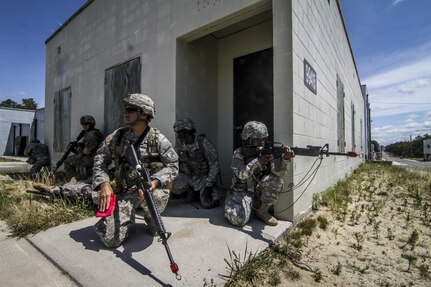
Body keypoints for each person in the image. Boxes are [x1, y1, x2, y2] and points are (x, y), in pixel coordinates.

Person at [92, 93, 179, 248]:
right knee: (111, 240)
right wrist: (104, 183)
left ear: (144, 113)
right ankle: (121, 216)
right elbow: (100, 158)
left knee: (154, 202)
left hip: (150, 190)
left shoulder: (157, 139)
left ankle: (152, 219)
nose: (125, 113)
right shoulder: (118, 136)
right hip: (126, 191)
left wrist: (155, 181)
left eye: (130, 110)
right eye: (125, 109)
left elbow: (173, 165)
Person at [224, 121, 295, 227]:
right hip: (243, 192)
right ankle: (231, 202)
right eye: (258, 139)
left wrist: (285, 159)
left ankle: (262, 211)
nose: (262, 142)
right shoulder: (239, 153)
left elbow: (278, 172)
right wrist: (257, 162)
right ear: (249, 139)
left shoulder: (267, 151)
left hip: (259, 190)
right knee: (239, 220)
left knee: (277, 179)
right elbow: (240, 174)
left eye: (264, 138)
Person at [171, 117, 221, 209]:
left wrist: (209, 184)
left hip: (204, 178)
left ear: (187, 131)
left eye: (179, 132)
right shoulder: (180, 144)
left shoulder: (204, 143)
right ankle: (191, 192)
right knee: (173, 186)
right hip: (190, 176)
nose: (178, 135)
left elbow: (214, 164)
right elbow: (174, 159)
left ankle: (208, 191)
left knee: (208, 203)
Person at [64, 115, 103, 181]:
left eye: (86, 124)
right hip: (91, 157)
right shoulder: (91, 133)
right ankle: (79, 178)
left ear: (90, 124)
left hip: (91, 158)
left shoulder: (91, 135)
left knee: (67, 161)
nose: (84, 126)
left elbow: (88, 150)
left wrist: (80, 154)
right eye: (83, 124)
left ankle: (71, 180)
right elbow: (85, 145)